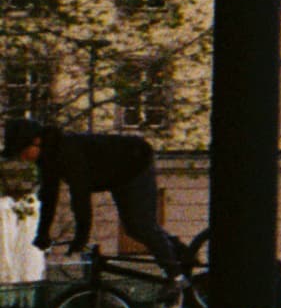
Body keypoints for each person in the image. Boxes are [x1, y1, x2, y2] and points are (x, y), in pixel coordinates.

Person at [5, 116, 187, 277]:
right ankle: (179, 251)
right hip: (115, 174)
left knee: (140, 225)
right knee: (133, 229)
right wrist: (42, 234)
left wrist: (81, 237)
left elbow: (80, 197)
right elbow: (49, 197)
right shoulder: (47, 159)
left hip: (135, 163)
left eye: (22, 152)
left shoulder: (68, 152)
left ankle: (175, 274)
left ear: (36, 141)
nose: (22, 158)